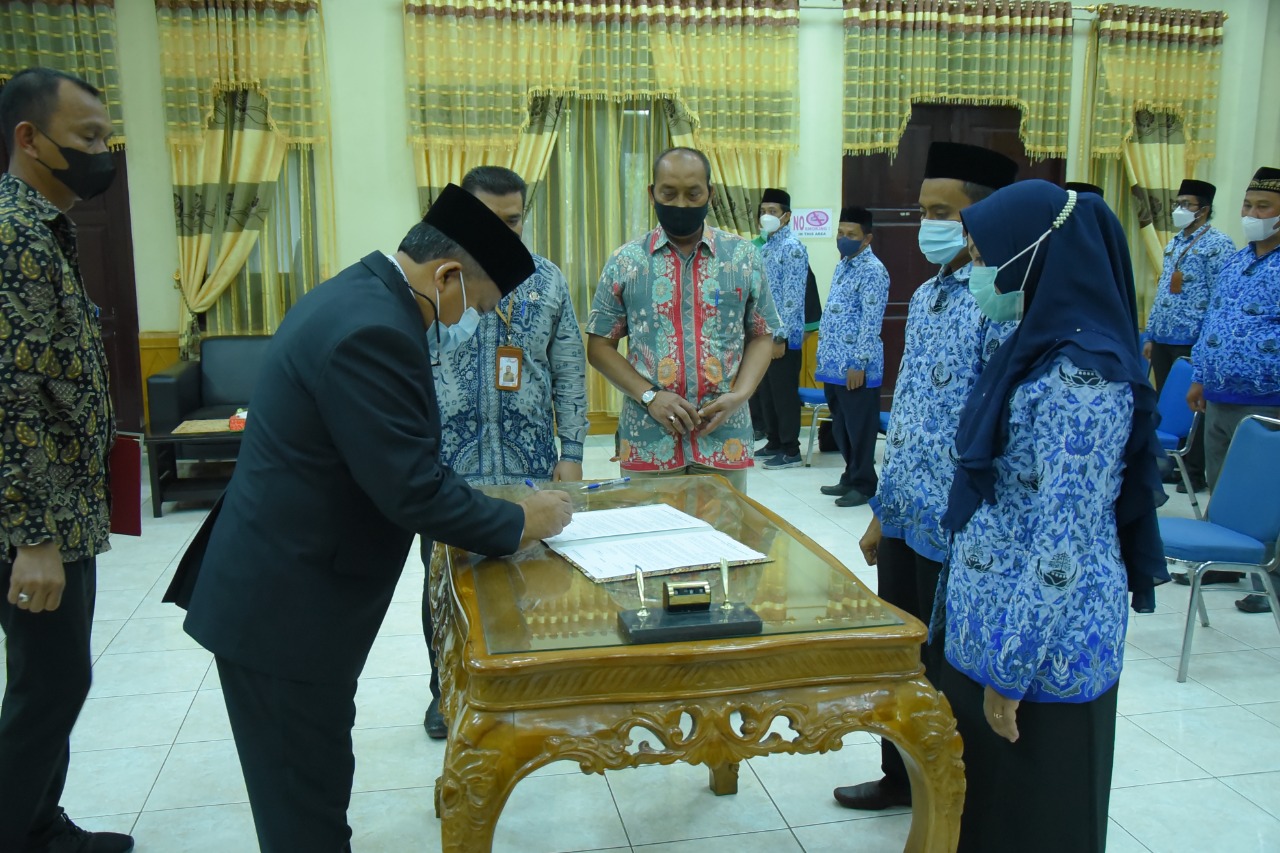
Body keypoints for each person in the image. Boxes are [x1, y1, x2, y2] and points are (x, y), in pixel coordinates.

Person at [173, 184, 574, 853]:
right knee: (304, 807)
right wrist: (521, 519)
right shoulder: (375, 332)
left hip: (286, 592)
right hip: (284, 611)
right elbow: (412, 490)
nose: (472, 320)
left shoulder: (359, 294)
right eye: (478, 304)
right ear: (447, 276)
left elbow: (393, 458)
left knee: (315, 780)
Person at [939, 179, 1167, 853]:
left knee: (1035, 821)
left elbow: (1062, 546)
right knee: (985, 813)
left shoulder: (1084, 381)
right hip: (990, 625)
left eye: (986, 255)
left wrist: (1010, 670)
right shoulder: (1033, 346)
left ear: (1034, 254)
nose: (978, 270)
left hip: (1041, 651)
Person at [834, 141, 1017, 811]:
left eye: (943, 212)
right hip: (907, 514)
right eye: (922, 211)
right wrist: (882, 510)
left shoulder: (1003, 302)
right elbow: (908, 414)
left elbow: (1000, 432)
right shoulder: (929, 292)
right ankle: (900, 777)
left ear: (983, 216)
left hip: (959, 527)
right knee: (901, 655)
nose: (927, 224)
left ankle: (946, 794)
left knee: (947, 669)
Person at [0, 68, 135, 853]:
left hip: (63, 504)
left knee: (54, 681)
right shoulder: (13, 237)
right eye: (86, 137)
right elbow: (11, 397)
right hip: (39, 514)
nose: (101, 152)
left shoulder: (44, 226)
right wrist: (34, 537)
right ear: (29, 138)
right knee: (50, 686)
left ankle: (39, 824)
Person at [418, 165, 587, 739]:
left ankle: (520, 684)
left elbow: (568, 368)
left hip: (528, 467)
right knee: (444, 589)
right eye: (488, 219)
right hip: (447, 471)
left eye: (512, 220)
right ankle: (446, 692)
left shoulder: (547, 280)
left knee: (524, 584)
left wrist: (572, 450)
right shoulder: (436, 282)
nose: (501, 232)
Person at [586, 147, 779, 495]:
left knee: (724, 529)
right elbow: (599, 346)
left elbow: (762, 334)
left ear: (710, 194)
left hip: (724, 436)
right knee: (651, 530)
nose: (681, 203)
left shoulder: (743, 257)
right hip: (649, 439)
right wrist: (650, 396)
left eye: (693, 194)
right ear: (652, 194)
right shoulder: (626, 261)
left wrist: (740, 395)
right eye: (669, 193)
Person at [1185, 166, 1280, 613]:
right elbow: (1214, 320)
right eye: (1247, 205)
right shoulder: (1237, 261)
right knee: (1221, 482)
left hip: (1269, 398)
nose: (1252, 214)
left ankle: (1272, 578)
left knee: (1268, 491)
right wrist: (1200, 375)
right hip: (1221, 393)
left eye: (1263, 207)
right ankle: (1225, 560)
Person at [1142, 178, 1235, 494]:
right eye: (1177, 203)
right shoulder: (1174, 243)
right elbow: (1162, 292)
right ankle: (1172, 464)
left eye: (1186, 204)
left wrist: (1208, 343)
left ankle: (1194, 472)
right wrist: (1151, 334)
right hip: (1165, 336)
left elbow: (1221, 296)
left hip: (1193, 338)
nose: (1179, 209)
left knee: (1194, 407)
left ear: (1203, 209)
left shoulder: (1218, 244)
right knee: (1170, 405)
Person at [815, 206, 889, 508]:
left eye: (851, 234)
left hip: (856, 367)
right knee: (841, 426)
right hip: (832, 364)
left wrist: (859, 363)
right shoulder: (844, 264)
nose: (843, 239)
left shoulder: (873, 270)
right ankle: (850, 476)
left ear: (867, 238)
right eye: (840, 233)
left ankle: (865, 484)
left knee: (860, 428)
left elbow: (871, 321)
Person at [754, 188, 810, 469]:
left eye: (773, 211)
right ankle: (774, 441)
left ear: (786, 216)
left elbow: (792, 299)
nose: (767, 216)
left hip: (784, 338)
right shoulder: (766, 248)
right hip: (765, 335)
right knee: (767, 392)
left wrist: (780, 337)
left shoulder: (793, 248)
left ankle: (791, 449)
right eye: (763, 211)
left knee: (783, 394)